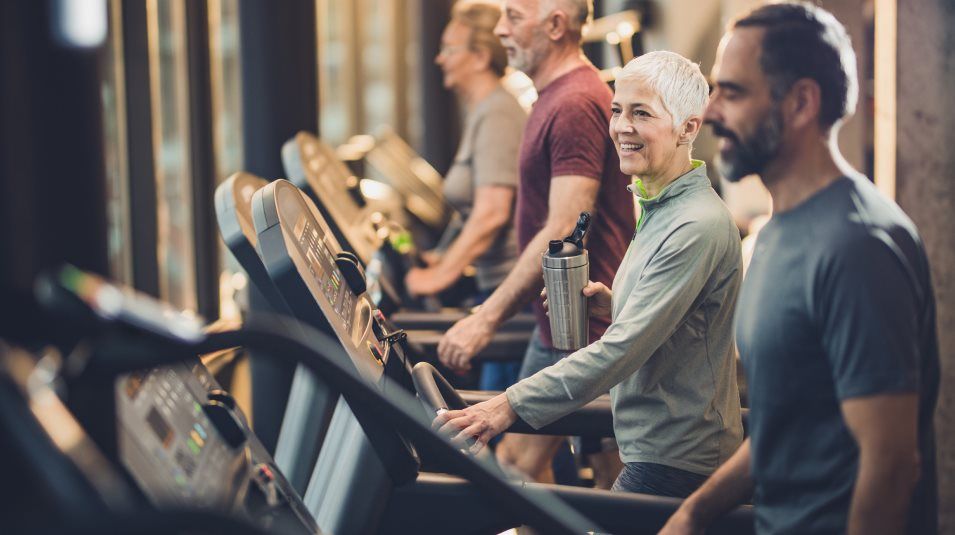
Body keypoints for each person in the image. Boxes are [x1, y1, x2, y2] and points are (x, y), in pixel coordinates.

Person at [661, 3, 939, 534]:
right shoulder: (774, 233)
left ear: (801, 103)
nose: (711, 111)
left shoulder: (858, 246)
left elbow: (891, 466)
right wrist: (693, 513)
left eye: (733, 93)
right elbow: (782, 424)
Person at [435, 50, 745, 498]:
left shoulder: (695, 224)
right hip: (650, 447)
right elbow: (679, 319)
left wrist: (506, 405)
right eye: (617, 110)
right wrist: (617, 303)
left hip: (677, 461)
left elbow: (622, 350)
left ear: (689, 128)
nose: (621, 127)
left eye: (642, 113)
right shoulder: (661, 206)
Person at [436, 0, 636, 485]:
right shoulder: (554, 96)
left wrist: (485, 319)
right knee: (609, 471)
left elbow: (562, 230)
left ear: (555, 25)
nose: (501, 30)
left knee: (517, 466)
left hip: (579, 324)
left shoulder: (572, 102)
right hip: (568, 318)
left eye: (513, 17)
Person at [403, 1, 526, 391]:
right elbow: (471, 206)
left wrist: (439, 276)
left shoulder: (497, 114)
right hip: (496, 291)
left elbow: (491, 212)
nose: (440, 59)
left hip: (511, 301)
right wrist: (444, 251)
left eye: (449, 49)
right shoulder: (483, 111)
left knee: (506, 443)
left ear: (479, 56)